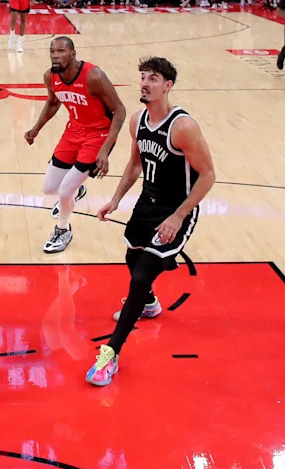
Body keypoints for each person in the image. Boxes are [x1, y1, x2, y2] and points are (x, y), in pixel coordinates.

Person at [88, 57, 215, 386]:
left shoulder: (183, 127)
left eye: (153, 78)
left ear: (167, 85)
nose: (145, 83)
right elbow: (134, 164)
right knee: (132, 256)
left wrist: (177, 216)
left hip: (176, 209)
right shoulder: (137, 121)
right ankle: (149, 303)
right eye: (143, 77)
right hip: (148, 203)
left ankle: (110, 354)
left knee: (141, 275)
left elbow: (208, 176)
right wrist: (115, 199)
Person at [25, 37, 126, 253]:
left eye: (61, 51)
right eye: (52, 51)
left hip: (98, 135)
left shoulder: (93, 76)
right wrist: (36, 129)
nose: (55, 55)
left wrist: (105, 150)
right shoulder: (50, 76)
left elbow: (120, 111)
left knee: (64, 192)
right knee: (49, 188)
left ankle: (63, 230)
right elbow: (53, 102)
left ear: (73, 53)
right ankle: (77, 190)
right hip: (73, 131)